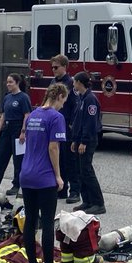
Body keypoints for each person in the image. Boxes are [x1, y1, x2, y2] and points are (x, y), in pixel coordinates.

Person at [19, 82, 68, 263]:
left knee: (31, 221)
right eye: (64, 100)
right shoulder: (56, 117)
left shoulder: (33, 115)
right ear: (59, 97)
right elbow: (53, 147)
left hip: (26, 173)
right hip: (44, 176)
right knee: (47, 222)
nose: (64, 104)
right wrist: (58, 175)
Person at [70, 71, 106, 215]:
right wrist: (75, 140)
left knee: (87, 170)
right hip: (79, 138)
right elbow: (78, 120)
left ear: (79, 82)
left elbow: (90, 123)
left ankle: (98, 202)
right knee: (80, 171)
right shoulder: (81, 98)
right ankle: (87, 200)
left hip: (88, 139)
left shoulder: (90, 99)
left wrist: (84, 141)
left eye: (74, 81)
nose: (73, 84)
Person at [49, 54, 80, 204]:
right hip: (54, 124)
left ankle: (75, 191)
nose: (53, 70)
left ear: (64, 67)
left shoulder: (71, 83)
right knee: (58, 158)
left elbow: (75, 106)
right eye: (52, 67)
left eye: (56, 67)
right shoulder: (53, 82)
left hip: (66, 125)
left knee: (70, 160)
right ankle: (61, 190)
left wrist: (72, 125)